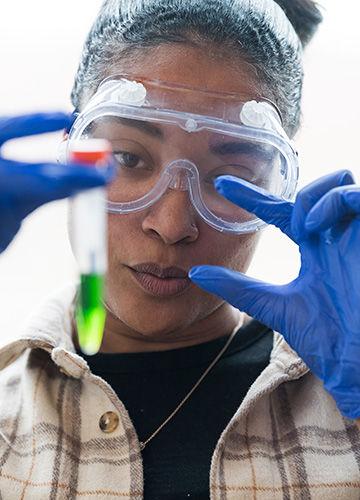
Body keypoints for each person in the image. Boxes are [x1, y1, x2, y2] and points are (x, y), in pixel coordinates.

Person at [0, 0, 359, 499]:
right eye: (128, 158)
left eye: (229, 179)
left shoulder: (347, 402)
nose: (171, 226)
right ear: (73, 148)